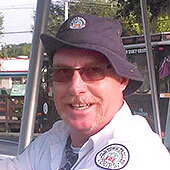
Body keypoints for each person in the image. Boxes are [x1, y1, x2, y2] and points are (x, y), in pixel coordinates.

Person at [0, 13, 170, 170]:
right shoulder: (56, 138)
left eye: (93, 71)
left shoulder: (139, 155)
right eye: (63, 72)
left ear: (122, 80)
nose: (75, 87)